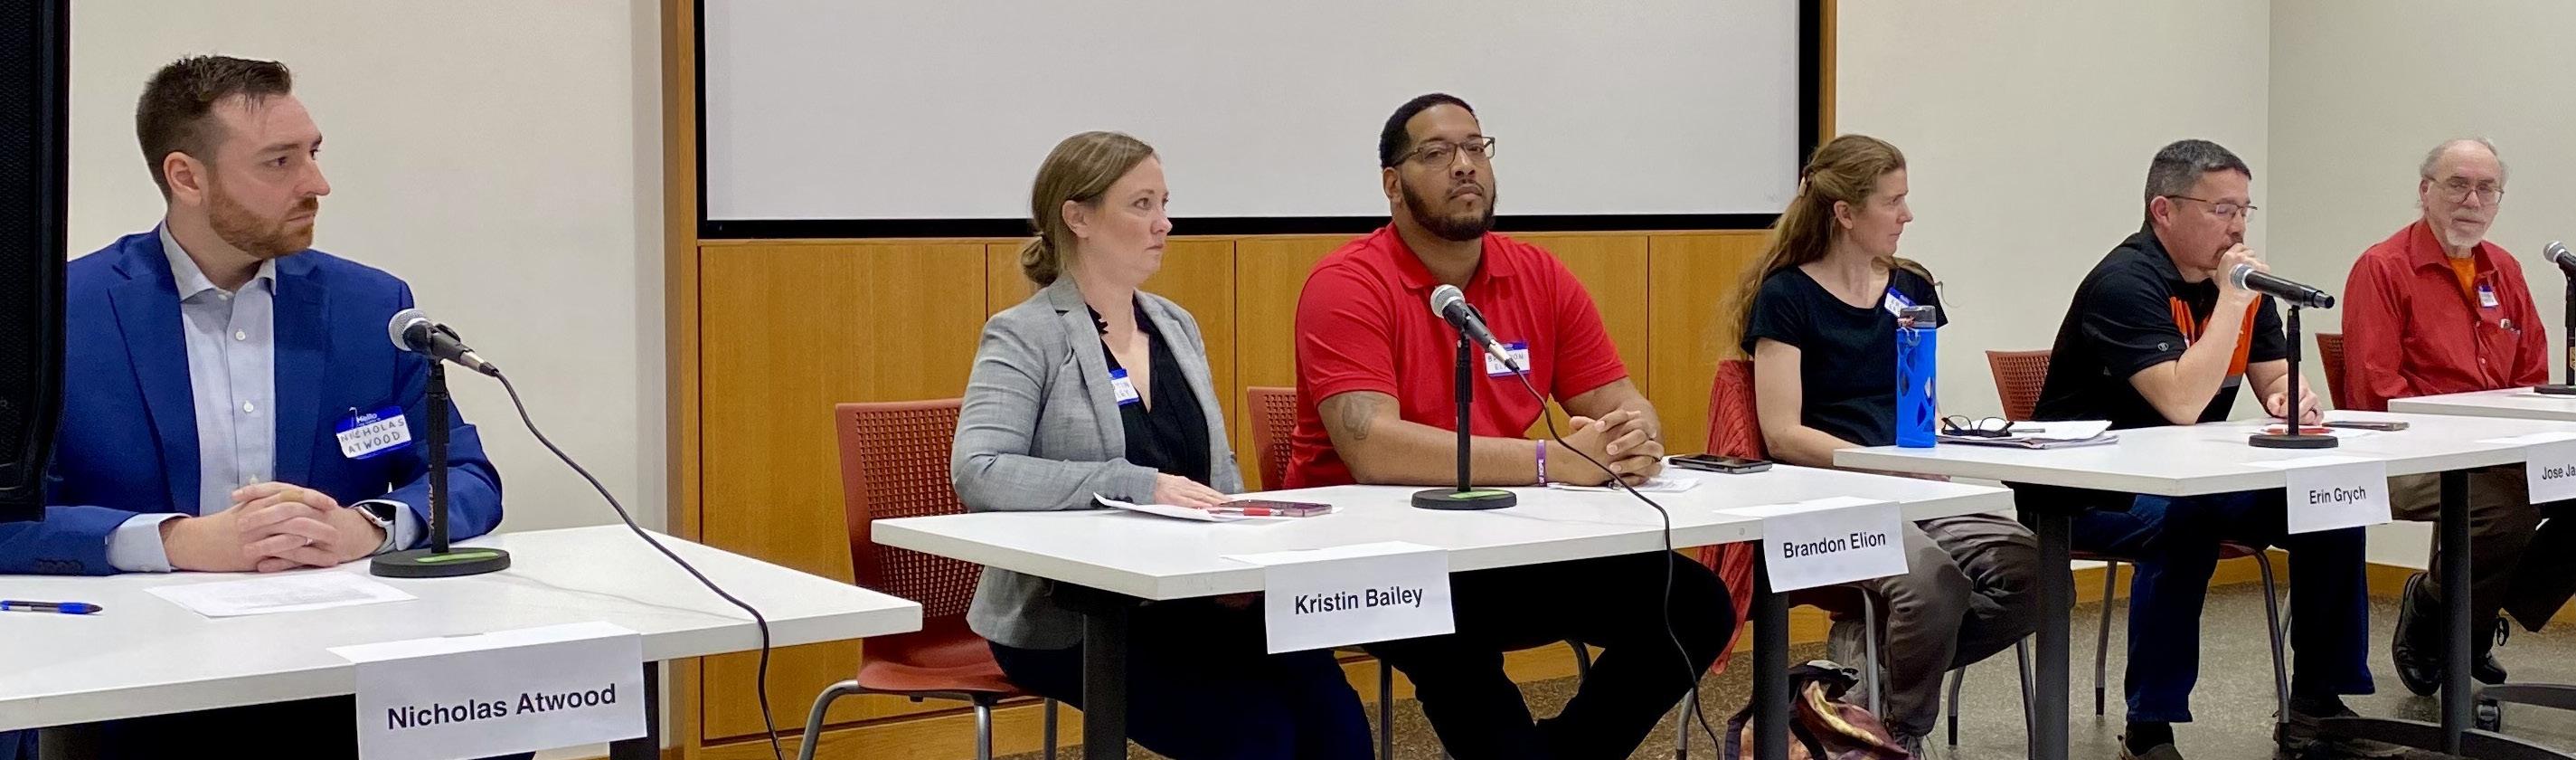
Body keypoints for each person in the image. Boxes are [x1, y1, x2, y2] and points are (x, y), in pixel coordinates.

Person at [0, 55, 510, 760]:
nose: (316, 184)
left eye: (313, 153)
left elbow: (467, 477)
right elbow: (9, 522)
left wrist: (366, 525)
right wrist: (179, 543)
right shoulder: (58, 315)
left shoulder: (372, 307)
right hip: (134, 684)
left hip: (338, 671)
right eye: (279, 162)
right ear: (186, 177)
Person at [1287, 92, 1733, 760]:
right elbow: (1371, 447)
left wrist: (1632, 437)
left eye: (1476, 147)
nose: (1464, 165)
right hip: (1379, 562)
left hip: (1506, 544)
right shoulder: (1347, 283)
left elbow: (1618, 398)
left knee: (1694, 605)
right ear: (1392, 184)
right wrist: (1552, 461)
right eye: (1437, 153)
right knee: (1453, 645)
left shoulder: (1536, 273)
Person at [952, 131, 1372, 760]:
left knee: (1332, 716)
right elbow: (980, 470)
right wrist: (1133, 483)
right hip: (1076, 615)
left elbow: (1218, 471)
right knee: (1255, 735)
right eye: (1141, 205)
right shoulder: (1024, 334)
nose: (1163, 223)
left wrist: (1245, 557)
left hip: (1194, 595)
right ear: (1078, 217)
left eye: (1163, 203)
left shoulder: (1175, 324)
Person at [2031, 138, 2397, 760]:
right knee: (2185, 524)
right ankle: (2149, 727)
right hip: (2087, 488)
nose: (2237, 227)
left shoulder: (2236, 288)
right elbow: (2180, 402)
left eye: (2244, 210)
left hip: (2190, 479)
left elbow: (2274, 375)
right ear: (2164, 210)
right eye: (2221, 210)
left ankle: (2317, 705)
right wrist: (2233, 301)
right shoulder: (2125, 284)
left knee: (2332, 504)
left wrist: (2291, 396)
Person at [1736, 134, 2038, 755]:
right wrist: (1875, 465)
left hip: (1914, 486)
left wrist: (1951, 440)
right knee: (1932, 587)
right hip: (1828, 493)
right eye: (1892, 202)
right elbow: (1782, 434)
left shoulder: (1910, 288)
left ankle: (1861, 684)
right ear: (1845, 213)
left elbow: (1920, 405)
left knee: (2037, 575)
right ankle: (1898, 733)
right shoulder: (1786, 297)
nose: (1907, 215)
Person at [2339, 138, 2571, 694]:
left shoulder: (2503, 269)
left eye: (2486, 188)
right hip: (2402, 453)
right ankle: (2449, 621)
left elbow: (2531, 376)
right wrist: (2467, 438)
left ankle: (2459, 613)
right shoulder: (2384, 267)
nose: (2473, 199)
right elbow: (2375, 391)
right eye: (2458, 185)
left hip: (2497, 450)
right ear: (2426, 192)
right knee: (2502, 511)